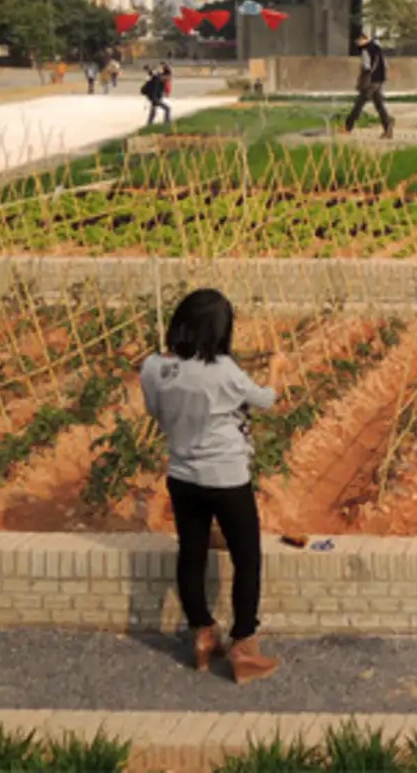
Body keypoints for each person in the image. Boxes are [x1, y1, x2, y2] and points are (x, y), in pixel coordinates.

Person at [140, 289, 282, 684]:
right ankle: (243, 643)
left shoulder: (154, 367)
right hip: (226, 477)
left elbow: (154, 411)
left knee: (192, 552)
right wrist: (276, 368)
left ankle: (202, 632)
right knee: (246, 557)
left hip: (183, 476)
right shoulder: (223, 371)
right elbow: (266, 400)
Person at [342, 29, 393, 138]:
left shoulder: (366, 50)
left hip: (370, 82)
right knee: (379, 105)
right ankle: (388, 128)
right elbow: (385, 65)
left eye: (358, 40)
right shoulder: (377, 48)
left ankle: (348, 127)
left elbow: (366, 67)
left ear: (363, 39)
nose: (357, 43)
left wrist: (362, 81)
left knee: (359, 104)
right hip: (379, 80)